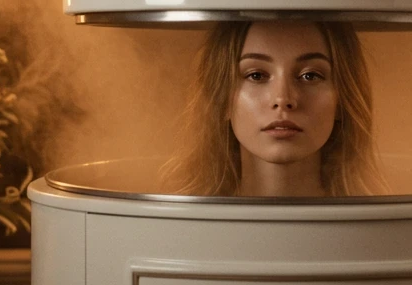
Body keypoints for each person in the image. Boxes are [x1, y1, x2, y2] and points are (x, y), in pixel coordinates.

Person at [163, 20, 387, 197]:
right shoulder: (181, 226)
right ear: (222, 100)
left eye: (310, 76)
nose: (283, 99)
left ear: (342, 99)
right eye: (256, 75)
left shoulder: (379, 229)